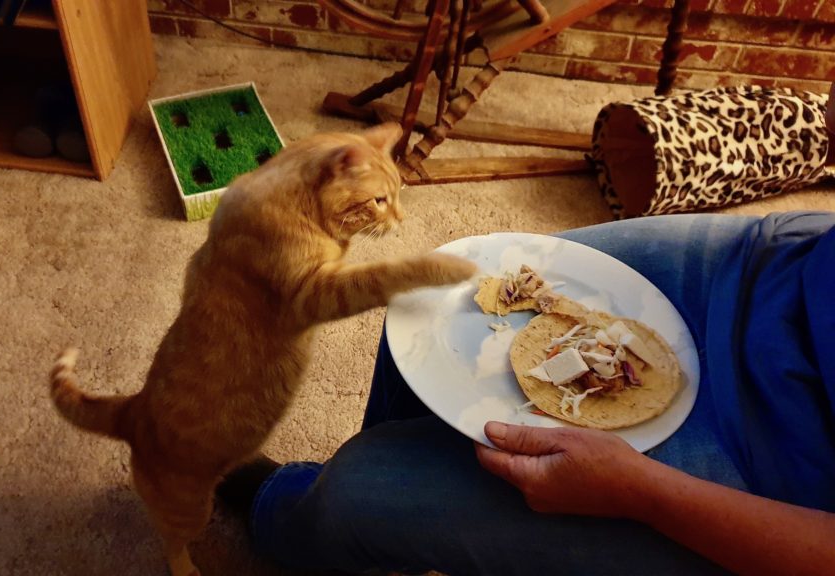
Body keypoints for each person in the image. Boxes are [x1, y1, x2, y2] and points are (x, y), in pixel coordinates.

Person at [217, 211, 835, 576]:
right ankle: (367, 529)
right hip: (784, 262)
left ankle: (299, 519)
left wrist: (642, 495)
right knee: (431, 294)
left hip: (776, 473)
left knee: (361, 490)